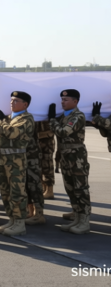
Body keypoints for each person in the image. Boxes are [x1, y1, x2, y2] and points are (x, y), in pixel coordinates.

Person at [0, 91, 33, 237]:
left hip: (16, 161)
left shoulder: (26, 118)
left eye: (16, 101)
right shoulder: (8, 118)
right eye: (11, 100)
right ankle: (12, 220)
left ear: (25, 104)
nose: (12, 103)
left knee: (17, 192)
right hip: (4, 160)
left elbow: (13, 133)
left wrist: (1, 122)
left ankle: (20, 223)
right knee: (5, 191)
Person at [49, 89, 91, 234]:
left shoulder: (78, 116)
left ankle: (84, 221)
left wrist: (52, 120)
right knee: (70, 188)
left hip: (76, 158)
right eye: (62, 99)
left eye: (66, 100)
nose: (63, 102)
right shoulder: (63, 116)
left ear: (75, 101)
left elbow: (63, 132)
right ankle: (77, 218)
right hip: (65, 157)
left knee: (81, 189)